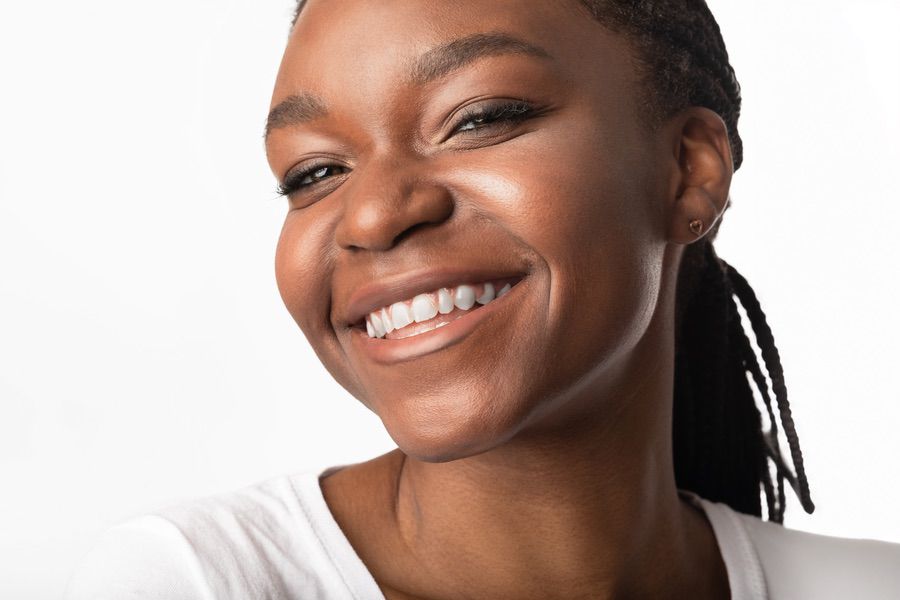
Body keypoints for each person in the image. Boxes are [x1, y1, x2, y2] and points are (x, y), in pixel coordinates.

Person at [65, 1, 900, 598]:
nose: (373, 213)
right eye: (314, 172)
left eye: (478, 118)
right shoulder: (192, 582)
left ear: (690, 168)